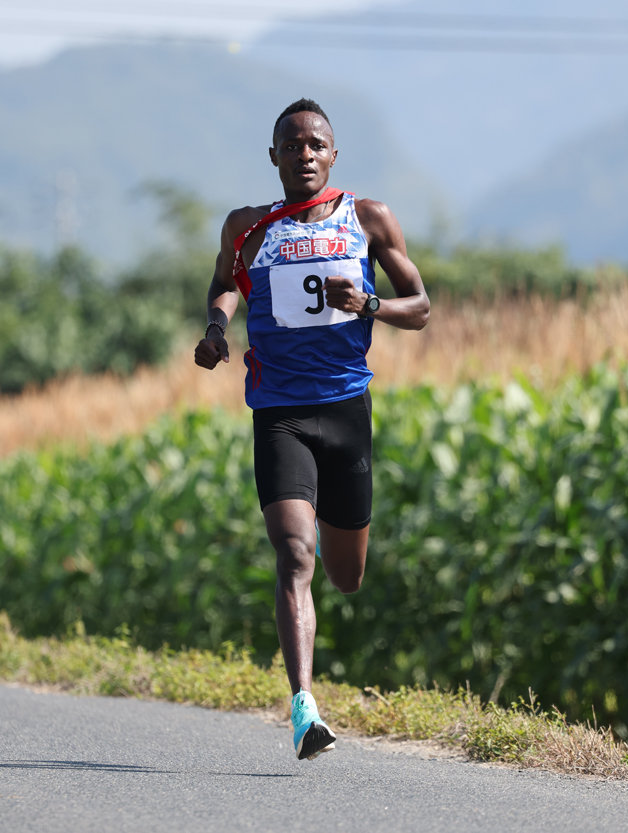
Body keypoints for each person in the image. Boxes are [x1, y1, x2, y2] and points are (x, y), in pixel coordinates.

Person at [194, 98, 429, 761]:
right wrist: (216, 329)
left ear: (333, 154)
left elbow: (423, 305)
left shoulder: (369, 217)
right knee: (294, 554)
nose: (304, 154)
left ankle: (325, 541)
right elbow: (223, 284)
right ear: (273, 157)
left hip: (347, 412)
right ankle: (304, 707)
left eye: (315, 144)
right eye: (291, 145)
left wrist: (373, 303)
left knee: (346, 576)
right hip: (280, 413)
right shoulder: (249, 227)